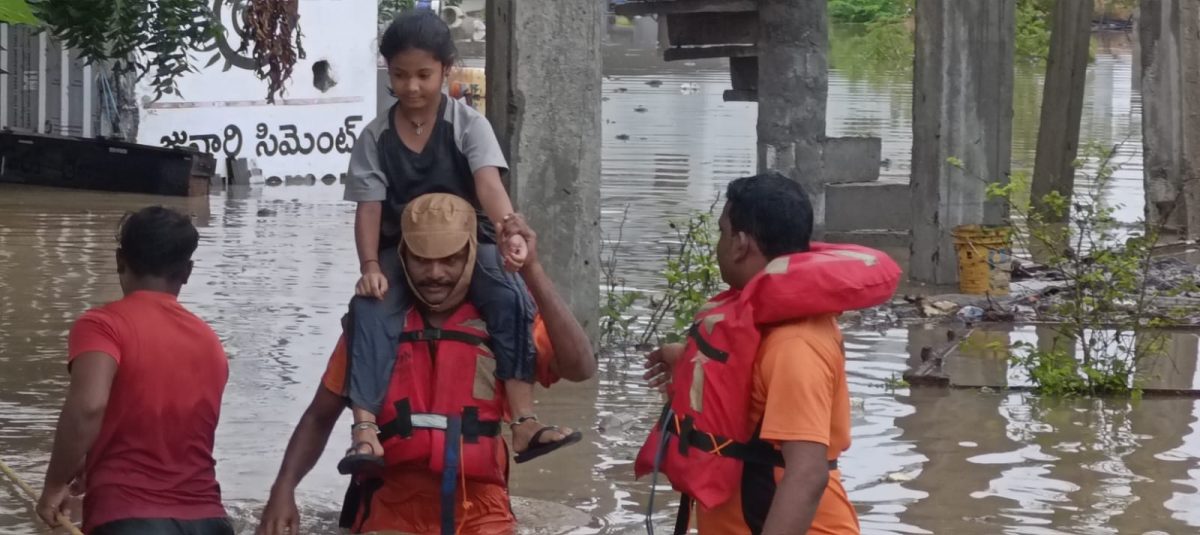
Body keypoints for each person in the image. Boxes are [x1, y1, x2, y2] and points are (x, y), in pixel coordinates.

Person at [257, 194, 596, 535]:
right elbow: (319, 416)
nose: (436, 274)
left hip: (484, 514)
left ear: (473, 255)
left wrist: (533, 270)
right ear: (402, 256)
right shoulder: (373, 330)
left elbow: (581, 368)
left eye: (451, 260)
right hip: (389, 513)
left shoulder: (504, 324)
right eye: (422, 260)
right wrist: (282, 490)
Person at [340, 9, 575, 476]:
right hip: (402, 251)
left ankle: (524, 420)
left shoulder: (469, 124)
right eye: (402, 75)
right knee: (368, 308)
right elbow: (368, 207)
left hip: (469, 247)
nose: (412, 87)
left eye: (424, 75)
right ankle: (364, 430)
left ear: (446, 69)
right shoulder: (375, 137)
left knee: (510, 295)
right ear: (389, 71)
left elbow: (488, 183)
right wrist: (370, 265)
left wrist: (508, 229)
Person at [636, 172, 901, 534]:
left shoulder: (795, 346)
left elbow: (806, 474)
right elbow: (751, 386)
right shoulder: (767, 327)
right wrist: (689, 361)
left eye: (722, 232)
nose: (719, 243)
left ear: (740, 244)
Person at [36, 206, 233, 535]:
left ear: (119, 261)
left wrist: (54, 484)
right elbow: (170, 426)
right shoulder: (210, 341)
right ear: (187, 271)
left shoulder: (103, 325)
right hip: (209, 520)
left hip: (130, 518)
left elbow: (88, 407)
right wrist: (94, 456)